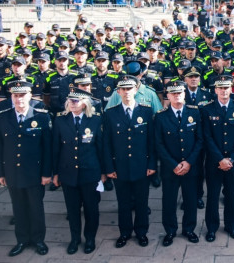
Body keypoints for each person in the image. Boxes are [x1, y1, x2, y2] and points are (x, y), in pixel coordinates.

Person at [0, 81, 52, 257]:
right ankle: (22, 240)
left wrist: (46, 173)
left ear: (30, 96)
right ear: (12, 96)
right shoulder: (3, 117)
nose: (19, 99)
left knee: (36, 207)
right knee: (18, 208)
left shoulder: (41, 117)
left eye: (23, 95)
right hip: (12, 172)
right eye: (15, 95)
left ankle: (39, 240)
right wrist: (0, 173)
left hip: (34, 173)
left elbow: (47, 149)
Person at [102, 76, 156, 248]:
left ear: (136, 90)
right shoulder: (110, 114)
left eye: (129, 88)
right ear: (118, 92)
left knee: (142, 202)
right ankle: (124, 232)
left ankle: (141, 232)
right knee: (123, 203)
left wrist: (152, 165)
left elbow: (152, 142)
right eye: (123, 89)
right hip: (120, 167)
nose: (126, 92)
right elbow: (107, 143)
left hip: (141, 167)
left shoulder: (146, 111)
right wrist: (109, 168)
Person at [52, 88, 105, 255]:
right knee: (73, 210)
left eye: (76, 101)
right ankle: (75, 239)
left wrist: (104, 172)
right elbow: (55, 149)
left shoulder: (95, 120)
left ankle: (90, 238)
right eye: (70, 100)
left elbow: (101, 148)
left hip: (90, 173)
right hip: (68, 174)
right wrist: (55, 173)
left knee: (91, 209)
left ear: (85, 103)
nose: (72, 104)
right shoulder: (61, 120)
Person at [155, 81, 202, 246]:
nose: (177, 95)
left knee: (190, 200)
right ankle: (170, 231)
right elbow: (158, 144)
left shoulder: (195, 113)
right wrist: (173, 164)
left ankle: (189, 229)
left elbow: (199, 140)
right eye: (173, 93)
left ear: (185, 94)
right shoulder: (160, 116)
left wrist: (189, 162)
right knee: (169, 201)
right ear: (167, 96)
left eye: (180, 92)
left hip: (191, 167)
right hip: (170, 169)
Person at [202, 75, 234, 242]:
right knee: (213, 196)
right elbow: (207, 137)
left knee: (230, 195)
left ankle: (231, 226)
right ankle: (212, 228)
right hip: (215, 161)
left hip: (233, 161)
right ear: (215, 90)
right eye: (220, 88)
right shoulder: (207, 109)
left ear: (231, 88)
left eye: (226, 87)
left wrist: (232, 159)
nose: (223, 90)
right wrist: (220, 159)